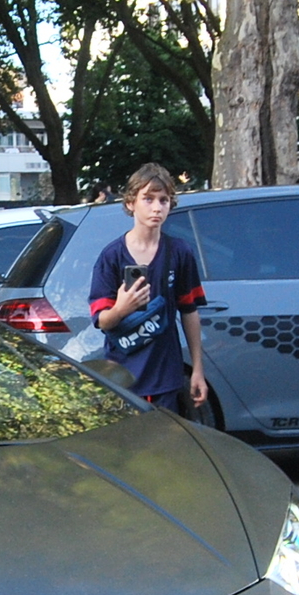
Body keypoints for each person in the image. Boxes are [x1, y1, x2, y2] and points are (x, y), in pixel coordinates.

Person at [88, 163, 209, 417]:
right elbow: (102, 321)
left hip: (165, 376)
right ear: (131, 202)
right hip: (122, 378)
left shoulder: (179, 252)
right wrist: (121, 308)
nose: (157, 207)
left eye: (164, 200)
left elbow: (189, 312)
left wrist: (198, 369)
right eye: (148, 199)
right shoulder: (111, 256)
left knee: (162, 448)